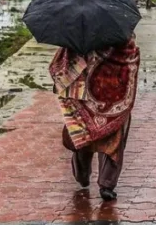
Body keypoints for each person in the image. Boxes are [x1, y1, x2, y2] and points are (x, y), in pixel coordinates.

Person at [49, 36, 140, 201]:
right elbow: (131, 61)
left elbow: (63, 66)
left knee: (83, 136)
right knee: (114, 142)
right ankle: (107, 184)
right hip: (115, 98)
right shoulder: (124, 37)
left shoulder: (78, 35)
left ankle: (82, 175)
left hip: (84, 99)